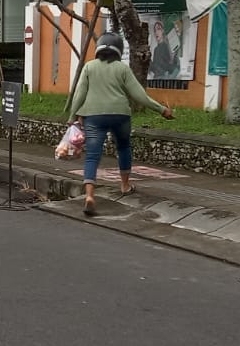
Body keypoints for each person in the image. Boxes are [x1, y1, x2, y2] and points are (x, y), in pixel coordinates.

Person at [67, 32, 175, 216]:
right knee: (124, 148)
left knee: (93, 155)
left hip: (94, 116)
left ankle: (90, 196)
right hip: (120, 115)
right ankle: (125, 186)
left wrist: (72, 116)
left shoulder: (89, 67)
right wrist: (161, 110)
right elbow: (139, 95)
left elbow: (79, 94)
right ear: (119, 49)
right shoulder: (122, 68)